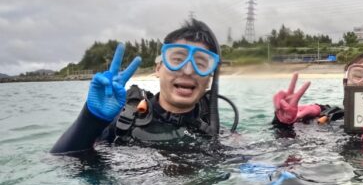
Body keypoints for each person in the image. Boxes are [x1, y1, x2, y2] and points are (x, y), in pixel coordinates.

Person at [51, 19, 235, 154]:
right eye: (177, 60)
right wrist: (91, 118)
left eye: (201, 64)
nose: (187, 70)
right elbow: (61, 160)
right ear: (158, 69)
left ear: (210, 78)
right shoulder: (124, 119)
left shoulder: (215, 131)